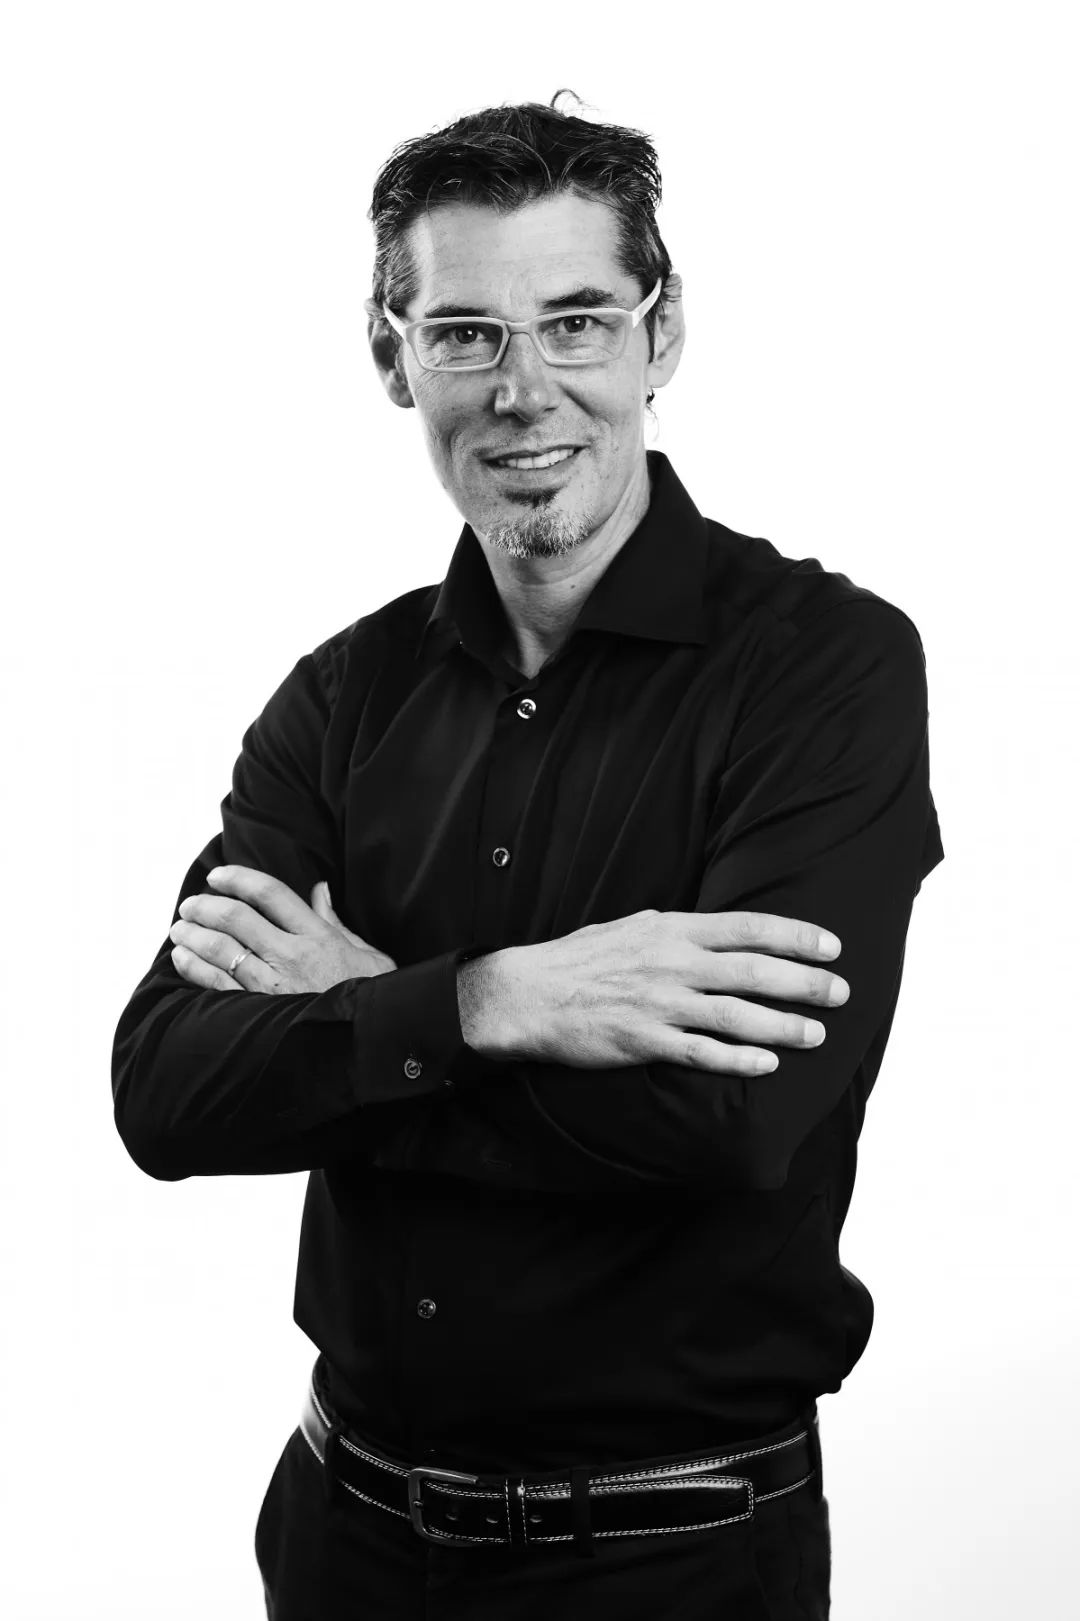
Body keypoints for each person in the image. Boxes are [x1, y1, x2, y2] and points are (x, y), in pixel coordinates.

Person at [112, 95, 944, 1619]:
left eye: (575, 323)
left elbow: (730, 1125)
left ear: (659, 333)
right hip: (346, 1541)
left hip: (673, 1562)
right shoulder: (340, 699)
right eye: (465, 335)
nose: (522, 391)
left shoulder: (826, 672)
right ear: (393, 358)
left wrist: (367, 1012)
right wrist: (496, 998)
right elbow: (166, 1087)